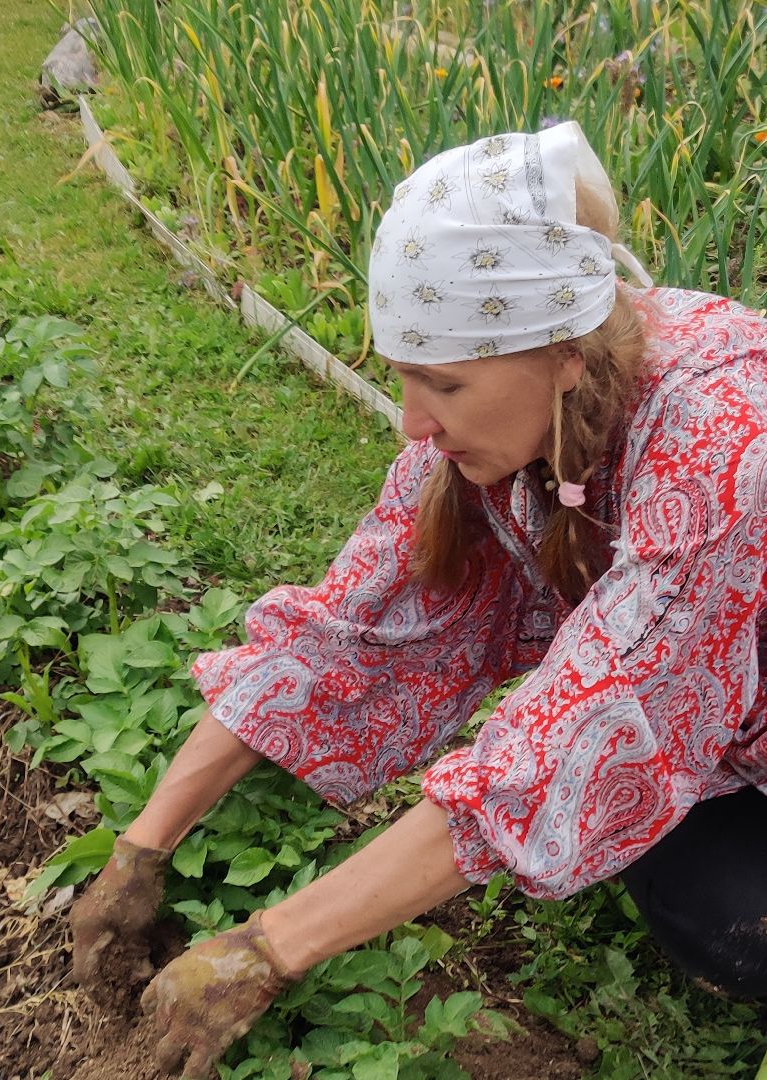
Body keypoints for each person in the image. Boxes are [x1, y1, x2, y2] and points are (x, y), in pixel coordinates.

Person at [69, 120, 767, 1079]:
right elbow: (351, 624)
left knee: (723, 921)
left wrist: (265, 951)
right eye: (403, 376)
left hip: (729, 702)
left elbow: (601, 718)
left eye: (444, 382)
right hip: (729, 715)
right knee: (659, 865)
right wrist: (144, 847)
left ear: (566, 353)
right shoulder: (492, 432)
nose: (413, 421)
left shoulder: (724, 438)